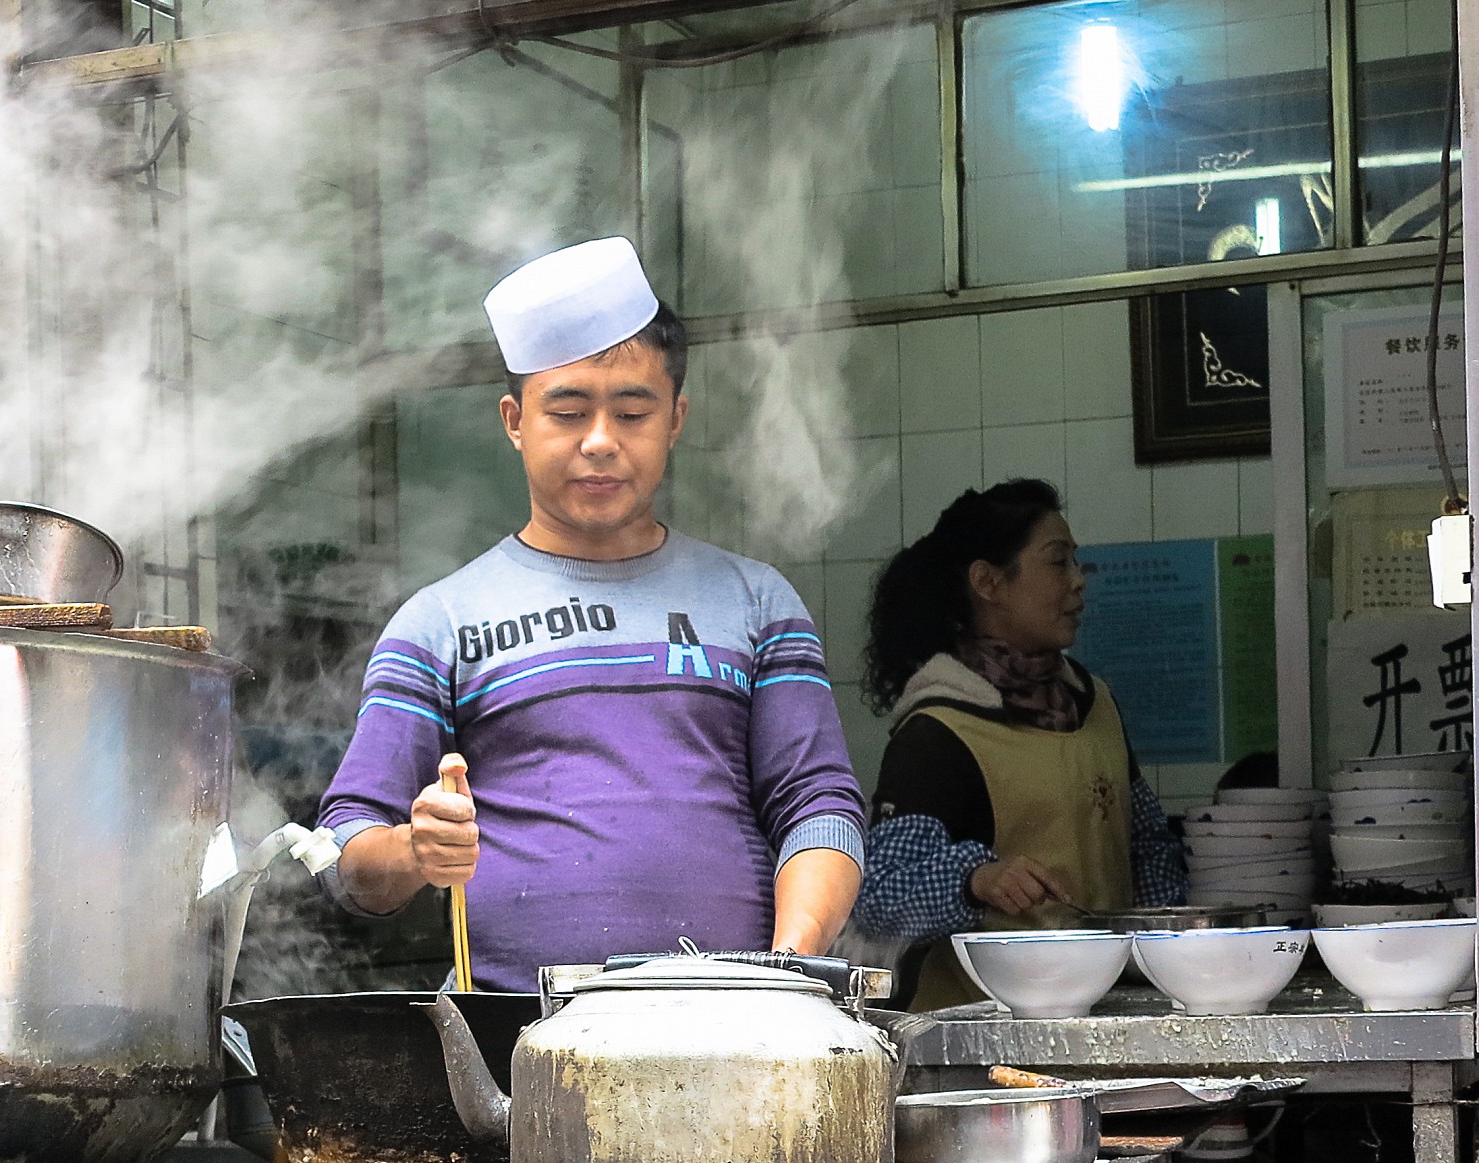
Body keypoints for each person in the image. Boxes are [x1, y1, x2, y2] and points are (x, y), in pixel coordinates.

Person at [315, 237, 867, 990]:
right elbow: (343, 851)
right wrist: (416, 850)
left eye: (632, 412)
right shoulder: (439, 621)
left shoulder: (756, 603)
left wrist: (785, 969)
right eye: (567, 411)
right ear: (514, 420)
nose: (600, 442)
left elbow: (819, 804)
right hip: (515, 1044)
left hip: (734, 1026)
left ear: (676, 418)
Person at [853, 479, 1188, 1008]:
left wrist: (1173, 947)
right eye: (1058, 563)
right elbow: (881, 897)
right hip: (978, 1031)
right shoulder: (939, 730)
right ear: (987, 581)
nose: (1079, 582)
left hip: (1098, 1010)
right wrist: (976, 879)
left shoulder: (1095, 702)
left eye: (1076, 562)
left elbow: (1145, 846)